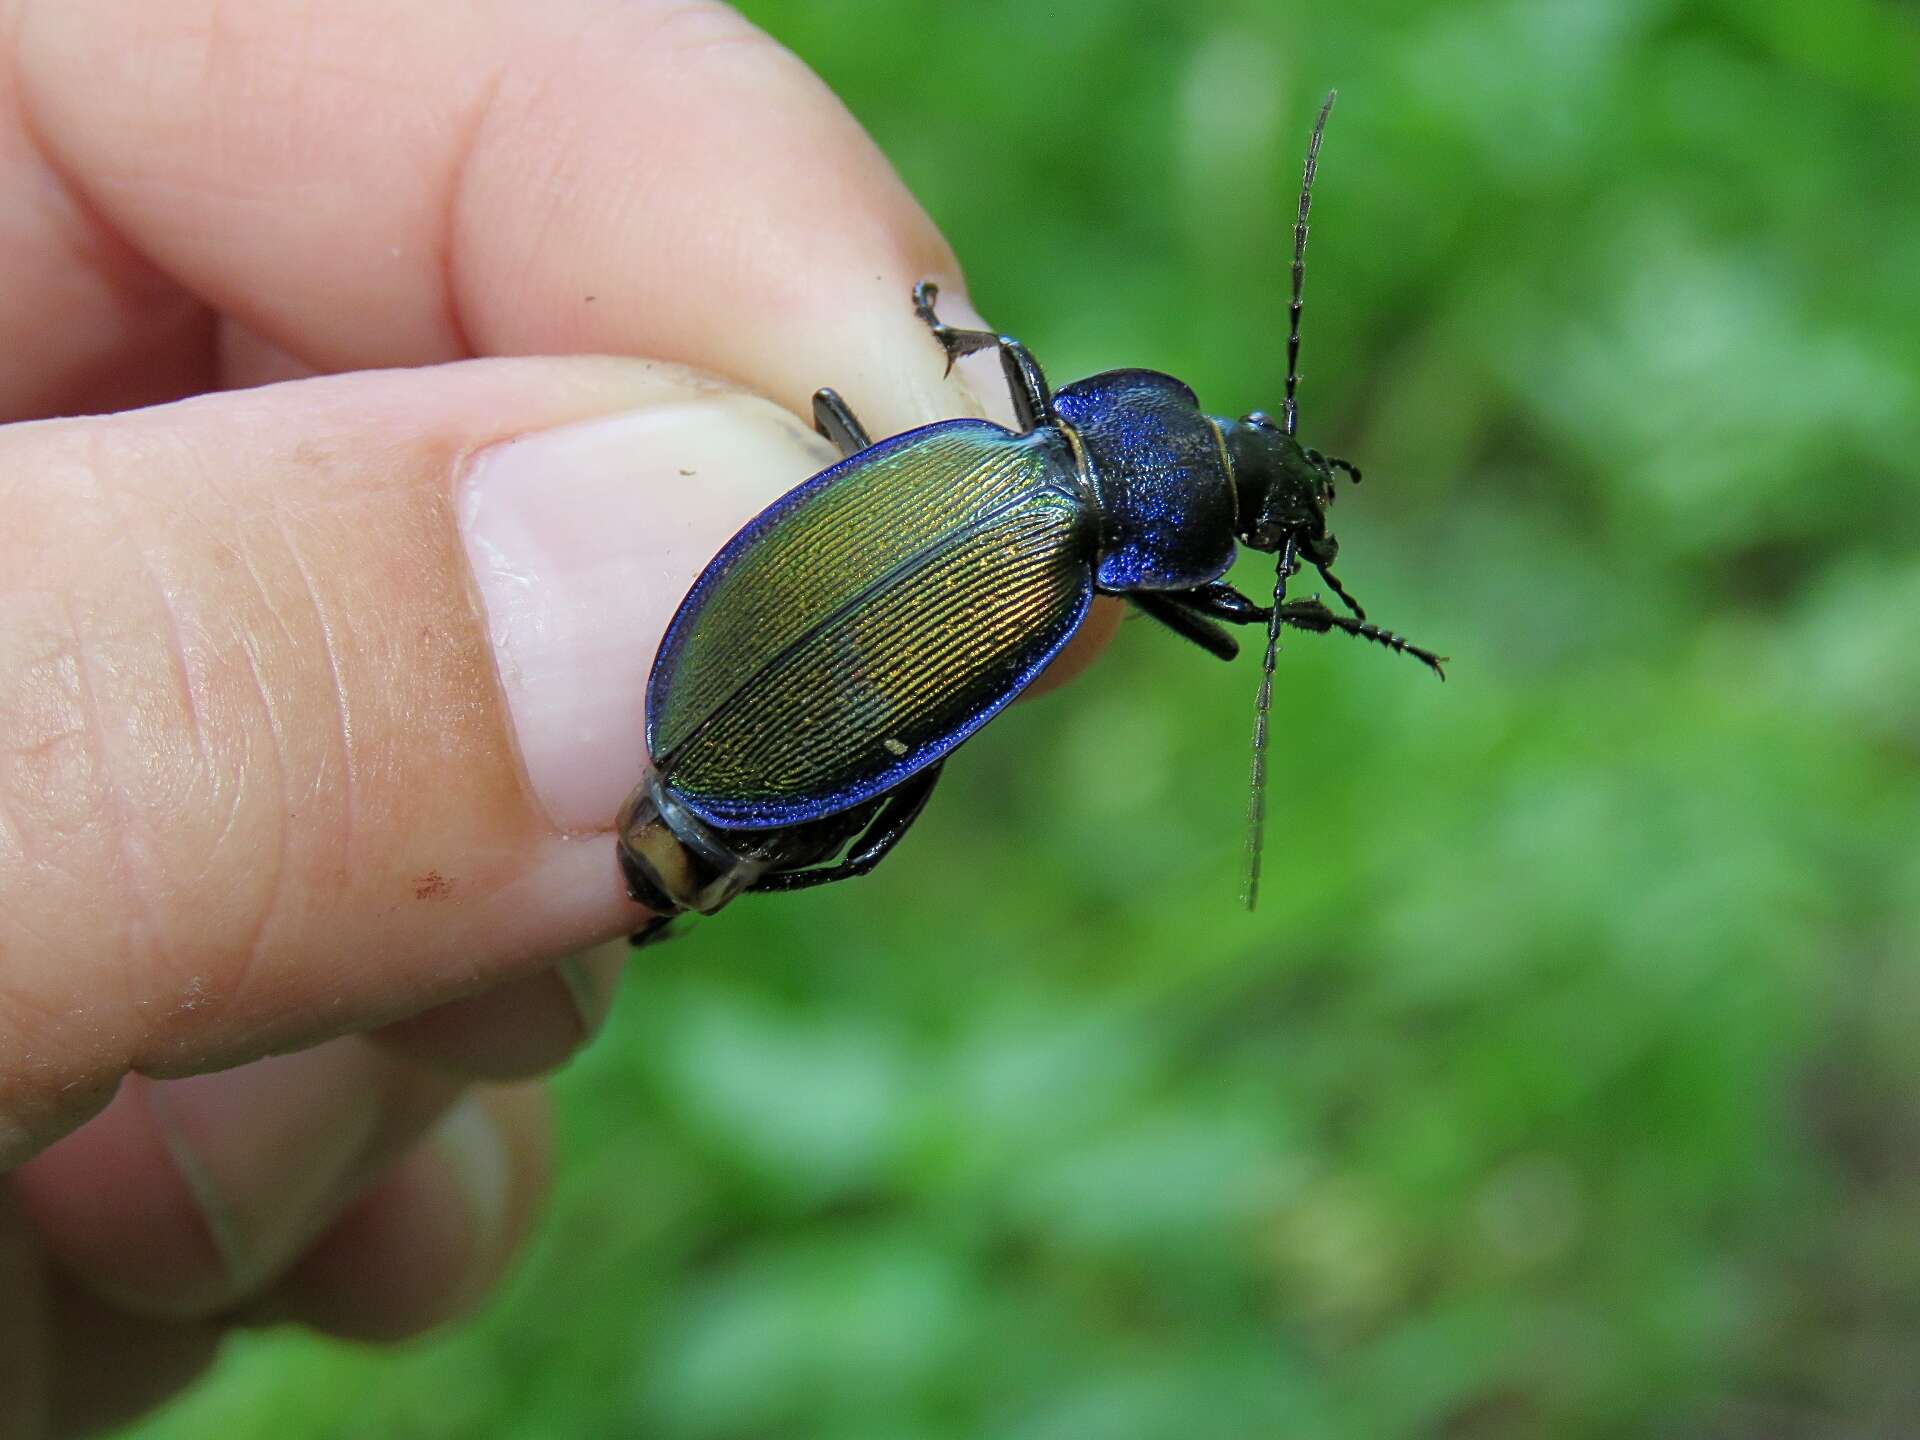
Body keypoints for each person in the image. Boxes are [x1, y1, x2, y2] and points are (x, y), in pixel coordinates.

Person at [0, 2, 1117, 1431]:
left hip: (744, 691)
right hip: (722, 706)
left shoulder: (1007, 480)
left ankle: (733, 850)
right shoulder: (1043, 563)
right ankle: (733, 855)